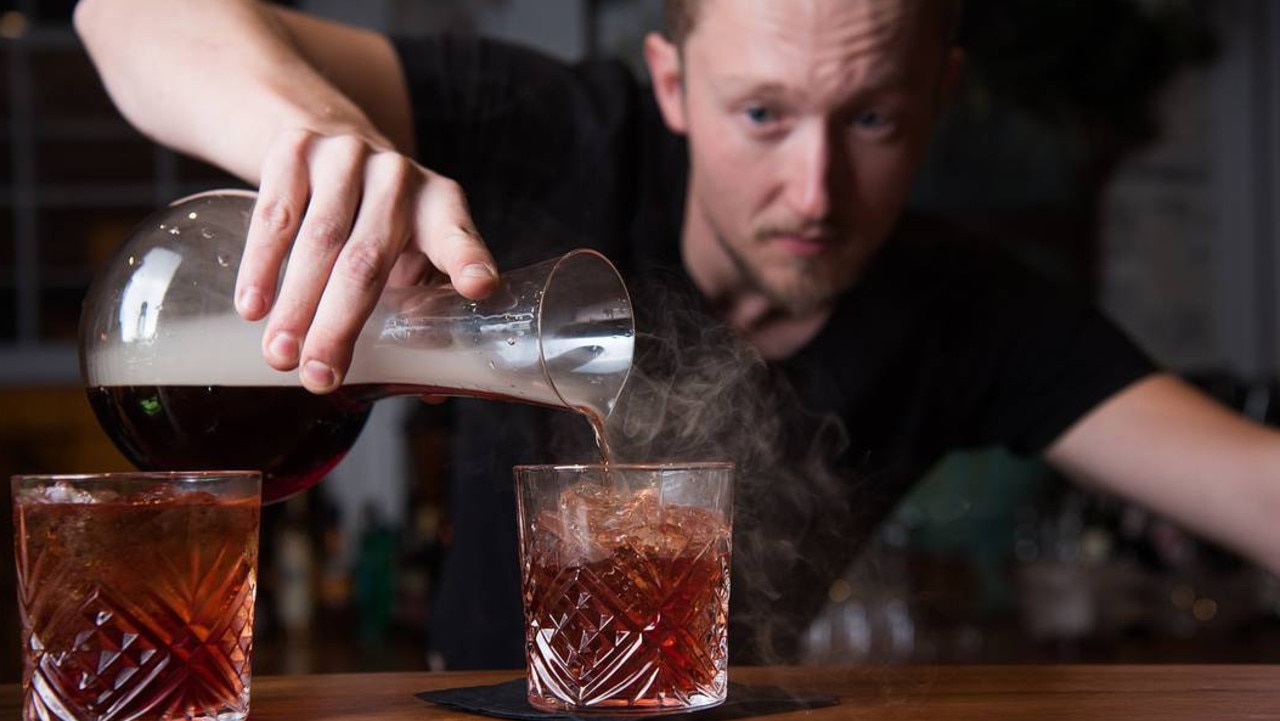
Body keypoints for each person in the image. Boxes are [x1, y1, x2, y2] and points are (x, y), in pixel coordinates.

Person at [74, 0, 1280, 668]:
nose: (812, 191)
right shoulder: (549, 133)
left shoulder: (971, 306)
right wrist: (327, 140)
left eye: (871, 119)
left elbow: (1253, 489)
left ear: (940, 98)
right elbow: (129, 14)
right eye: (761, 113)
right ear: (668, 81)